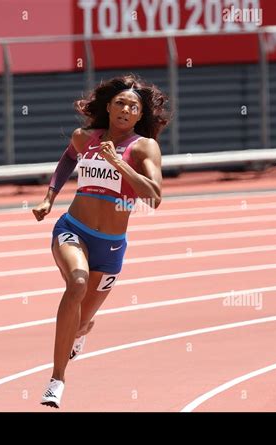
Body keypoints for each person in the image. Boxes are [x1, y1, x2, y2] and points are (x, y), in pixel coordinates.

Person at [32, 74, 169, 408]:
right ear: (108, 107)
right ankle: (56, 380)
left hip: (111, 248)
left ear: (140, 116)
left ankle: (80, 330)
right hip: (73, 228)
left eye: (133, 106)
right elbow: (67, 158)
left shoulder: (143, 147)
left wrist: (118, 162)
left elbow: (154, 198)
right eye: (120, 102)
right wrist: (50, 197)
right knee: (76, 284)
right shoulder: (84, 138)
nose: (125, 109)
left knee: (78, 322)